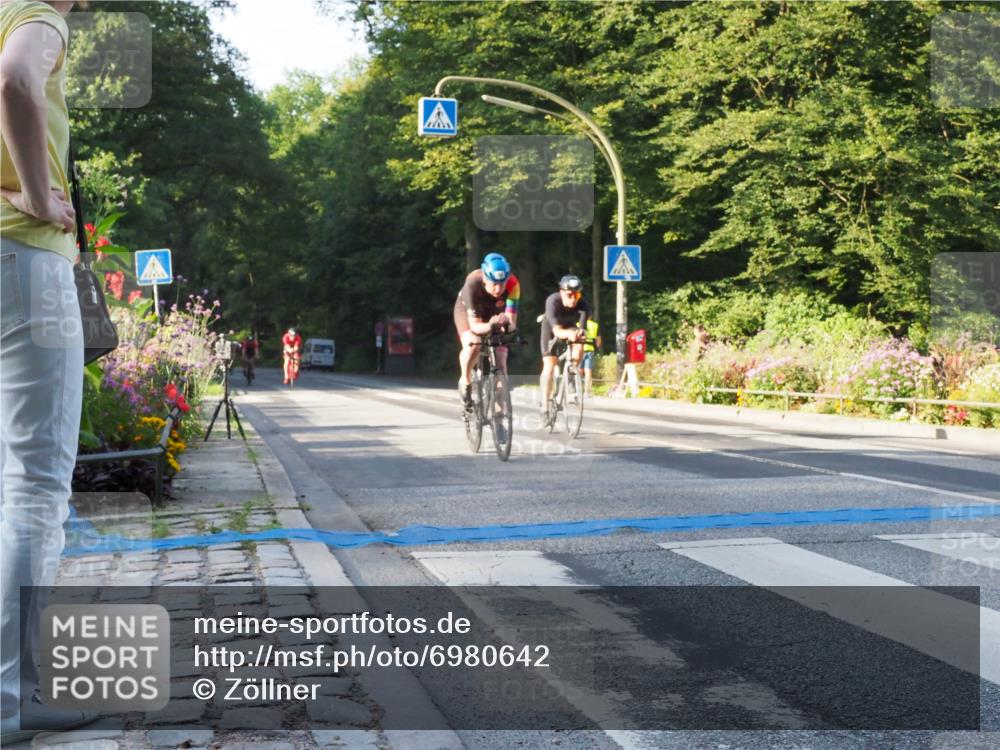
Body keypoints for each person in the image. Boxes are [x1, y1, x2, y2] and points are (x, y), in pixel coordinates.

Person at [1, 0, 100, 742]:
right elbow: (14, 80)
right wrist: (35, 197)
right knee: (32, 482)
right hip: (29, 267)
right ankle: (9, 699)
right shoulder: (37, 13)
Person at [454, 253, 519, 407]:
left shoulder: (513, 284)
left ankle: (500, 412)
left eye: (502, 284)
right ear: (485, 278)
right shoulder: (472, 285)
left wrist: (506, 324)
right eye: (493, 284)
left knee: (501, 362)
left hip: (493, 313)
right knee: (474, 343)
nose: (498, 289)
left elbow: (512, 323)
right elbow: (476, 326)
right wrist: (490, 325)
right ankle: (465, 380)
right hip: (468, 312)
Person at [539, 275, 590, 413]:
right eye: (569, 295)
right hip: (551, 329)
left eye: (577, 294)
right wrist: (569, 334)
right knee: (550, 364)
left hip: (570, 327)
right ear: (561, 292)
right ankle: (545, 404)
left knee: (579, 345)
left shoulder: (583, 304)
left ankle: (571, 375)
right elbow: (557, 331)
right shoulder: (553, 301)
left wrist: (580, 336)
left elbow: (582, 329)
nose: (573, 299)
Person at [582, 317, 602, 395]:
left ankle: (577, 390)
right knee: (588, 372)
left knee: (578, 371)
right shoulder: (595, 325)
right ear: (590, 316)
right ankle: (587, 391)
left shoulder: (578, 324)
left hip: (580, 350)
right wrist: (596, 347)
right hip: (590, 350)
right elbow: (599, 341)